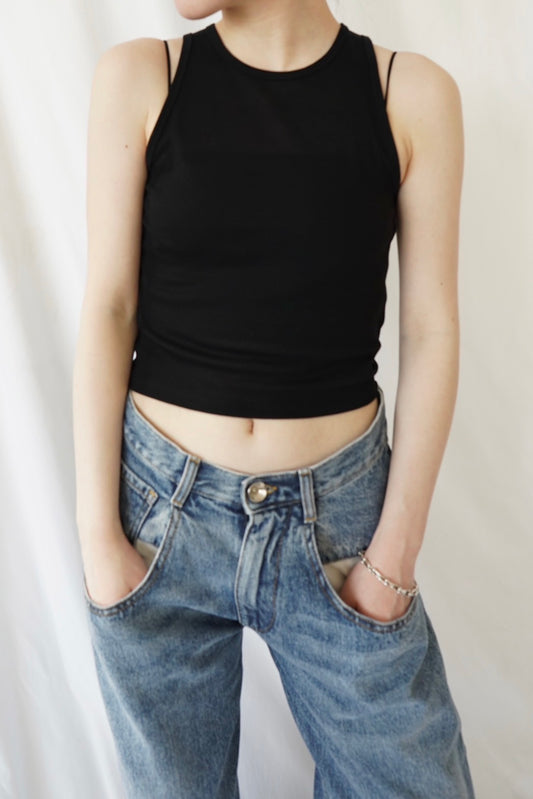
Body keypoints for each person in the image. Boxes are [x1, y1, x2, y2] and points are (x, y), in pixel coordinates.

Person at [72, 0, 476, 796]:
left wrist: (393, 556)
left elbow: (430, 330)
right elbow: (109, 308)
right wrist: (97, 542)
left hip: (340, 529)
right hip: (158, 528)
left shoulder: (411, 94)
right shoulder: (141, 76)